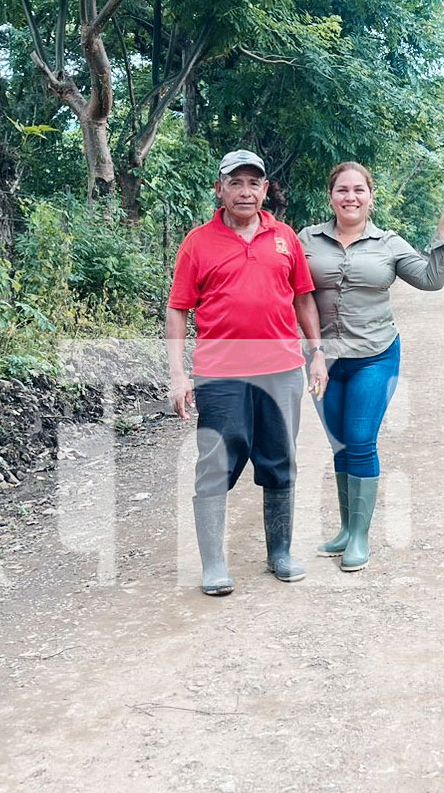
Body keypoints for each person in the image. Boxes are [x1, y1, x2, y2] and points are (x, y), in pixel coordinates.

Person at [167, 149, 330, 596]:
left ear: (265, 190)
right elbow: (179, 309)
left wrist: (316, 353)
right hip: (220, 373)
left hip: (281, 370)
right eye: (235, 182)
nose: (245, 191)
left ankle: (279, 552)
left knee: (281, 461)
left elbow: (303, 299)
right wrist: (178, 374)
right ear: (219, 189)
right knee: (215, 463)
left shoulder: (285, 238)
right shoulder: (197, 242)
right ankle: (214, 564)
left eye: (253, 183)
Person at [299, 164, 444, 571]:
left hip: (375, 354)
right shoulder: (307, 239)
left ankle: (360, 536)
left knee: (359, 438)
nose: (350, 197)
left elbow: (430, 279)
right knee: (339, 443)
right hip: (323, 358)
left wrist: (443, 234)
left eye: (359, 190)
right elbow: (289, 288)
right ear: (331, 195)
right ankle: (344, 529)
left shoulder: (388, 243)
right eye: (342, 189)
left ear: (371, 196)